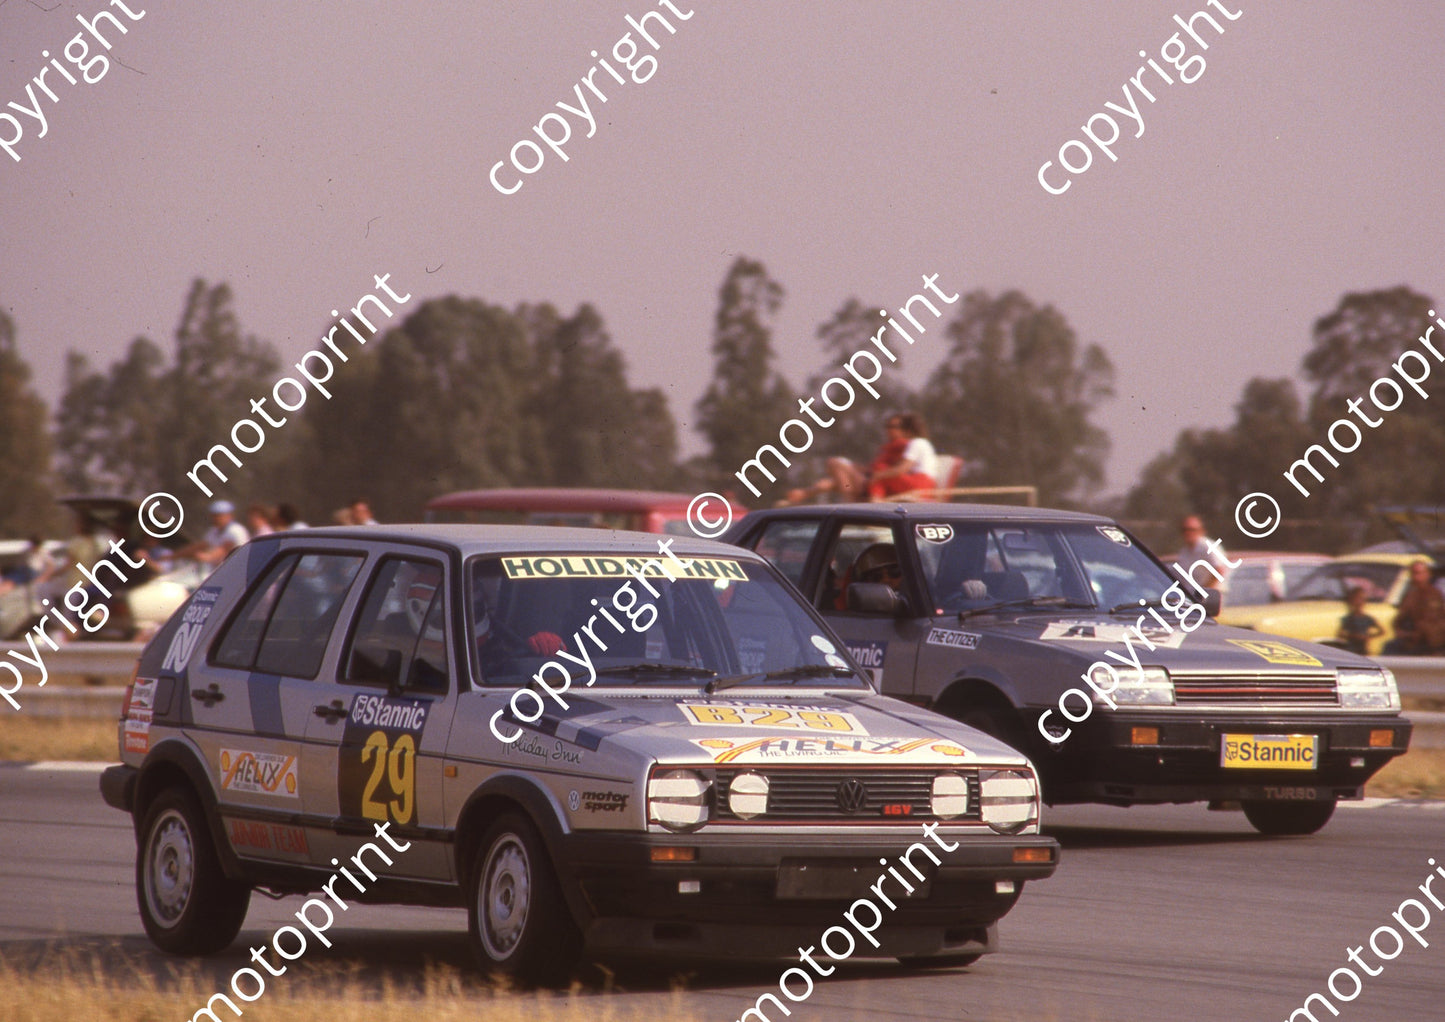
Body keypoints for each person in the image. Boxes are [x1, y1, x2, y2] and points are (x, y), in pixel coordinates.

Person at [784, 412, 939, 505]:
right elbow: (874, 470)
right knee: (838, 475)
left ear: (906, 430)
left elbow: (897, 469)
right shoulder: (899, 446)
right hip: (888, 485)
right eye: (887, 426)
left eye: (893, 427)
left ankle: (851, 505)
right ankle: (805, 494)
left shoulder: (908, 444)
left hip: (907, 487)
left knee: (836, 465)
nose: (888, 430)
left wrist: (875, 475)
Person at [1384, 561, 1445, 655]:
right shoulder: (1410, 596)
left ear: (1428, 575)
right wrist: (1403, 633)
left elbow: (1434, 619)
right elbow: (1398, 620)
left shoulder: (1435, 595)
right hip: (1413, 641)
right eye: (1414, 573)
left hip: (1432, 642)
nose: (1417, 578)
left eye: (1419, 573)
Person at [177, 501, 251, 567]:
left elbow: (223, 550)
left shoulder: (236, 530)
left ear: (229, 516)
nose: (215, 518)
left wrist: (205, 556)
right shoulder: (214, 530)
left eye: (219, 515)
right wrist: (172, 556)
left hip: (238, 570)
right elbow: (200, 546)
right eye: (214, 515)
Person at [1174, 515, 1232, 595]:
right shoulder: (1184, 552)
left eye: (1192, 530)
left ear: (1201, 531)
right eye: (1184, 530)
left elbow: (1219, 570)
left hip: (1213, 597)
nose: (1188, 533)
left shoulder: (1208, 546)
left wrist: (1203, 592)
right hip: (1193, 597)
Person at [1336, 585, 1383, 655]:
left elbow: (1381, 631)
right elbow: (1340, 634)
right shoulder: (1348, 619)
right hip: (1351, 648)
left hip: (1363, 648)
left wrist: (1368, 636)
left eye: (1361, 599)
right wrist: (1353, 636)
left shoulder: (1367, 618)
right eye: (1356, 599)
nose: (1358, 602)